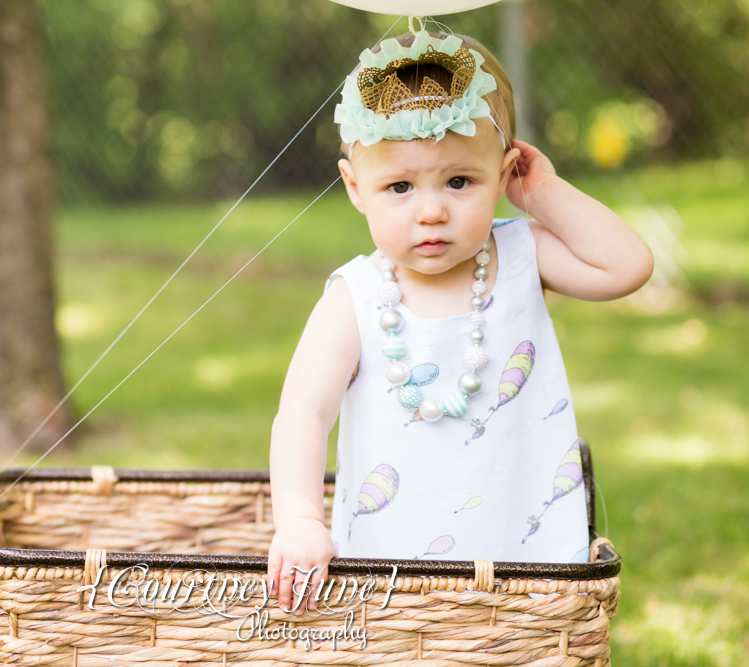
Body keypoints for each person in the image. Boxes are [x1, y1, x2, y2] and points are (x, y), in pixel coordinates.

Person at [266, 29, 653, 615]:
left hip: (527, 552)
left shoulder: (521, 255)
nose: (431, 210)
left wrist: (541, 192)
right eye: (399, 186)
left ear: (503, 175)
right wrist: (298, 519)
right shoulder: (359, 297)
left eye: (459, 182)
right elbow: (303, 410)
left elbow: (627, 266)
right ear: (355, 187)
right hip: (391, 570)